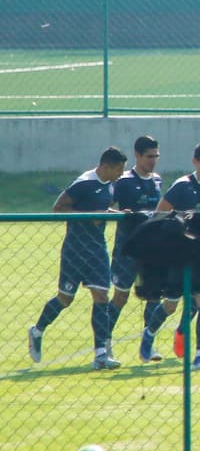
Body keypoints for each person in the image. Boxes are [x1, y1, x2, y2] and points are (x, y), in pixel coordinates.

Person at [28, 147, 128, 370]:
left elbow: (101, 210)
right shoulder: (84, 183)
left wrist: (120, 215)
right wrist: (87, 218)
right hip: (75, 249)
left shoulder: (110, 186)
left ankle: (101, 354)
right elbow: (58, 207)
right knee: (65, 298)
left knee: (101, 295)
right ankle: (37, 330)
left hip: (97, 248)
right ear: (106, 166)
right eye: (120, 168)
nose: (122, 173)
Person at [151, 141, 200, 371]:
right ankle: (149, 334)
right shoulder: (182, 186)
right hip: (180, 254)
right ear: (195, 162)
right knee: (172, 304)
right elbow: (159, 213)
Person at [106, 135, 165, 362]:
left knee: (153, 297)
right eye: (149, 156)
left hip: (151, 249)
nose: (153, 161)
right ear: (137, 155)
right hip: (127, 249)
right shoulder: (124, 181)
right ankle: (104, 344)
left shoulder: (157, 180)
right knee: (120, 297)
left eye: (156, 156)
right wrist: (123, 215)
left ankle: (147, 345)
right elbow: (106, 208)